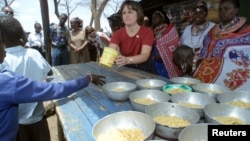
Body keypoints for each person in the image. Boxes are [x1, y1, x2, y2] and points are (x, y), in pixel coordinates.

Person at [0, 41, 106, 141]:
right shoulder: (7, 83)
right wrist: (88, 79)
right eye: (2, 47)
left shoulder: (5, 75)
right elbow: (54, 89)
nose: (5, 52)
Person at [176, 0, 250, 91]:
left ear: (236, 10)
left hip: (230, 82)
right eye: (220, 9)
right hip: (207, 79)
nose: (222, 11)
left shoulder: (246, 31)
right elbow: (204, 51)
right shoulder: (213, 30)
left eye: (226, 9)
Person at [0, 15, 51, 141]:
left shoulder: (3, 61)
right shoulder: (34, 54)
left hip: (15, 125)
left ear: (2, 37)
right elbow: (47, 75)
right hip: (38, 119)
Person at [108, 0, 157, 74]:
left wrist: (127, 60)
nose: (126, 15)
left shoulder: (147, 32)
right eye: (124, 13)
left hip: (145, 68)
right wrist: (110, 57)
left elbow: (145, 55)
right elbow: (111, 51)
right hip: (125, 68)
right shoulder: (117, 34)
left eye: (130, 12)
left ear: (138, 14)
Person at [151, 11, 182, 78]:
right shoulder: (152, 32)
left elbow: (175, 44)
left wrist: (162, 54)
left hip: (168, 60)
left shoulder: (170, 30)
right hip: (156, 61)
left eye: (156, 17)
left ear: (162, 18)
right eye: (153, 18)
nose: (154, 19)